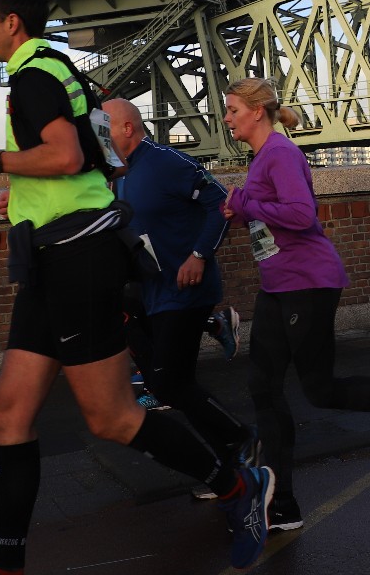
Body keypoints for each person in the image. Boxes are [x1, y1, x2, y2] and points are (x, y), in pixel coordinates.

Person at [0, 0, 272, 573]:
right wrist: (23, 191)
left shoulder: (32, 76)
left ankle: (238, 486)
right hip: (51, 256)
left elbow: (66, 155)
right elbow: (100, 163)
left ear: (12, 23)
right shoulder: (64, 72)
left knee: (112, 417)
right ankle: (6, 568)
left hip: (77, 260)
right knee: (8, 413)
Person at [222, 76, 370, 536]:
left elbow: (301, 214)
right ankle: (281, 502)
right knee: (263, 387)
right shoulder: (262, 156)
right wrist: (243, 209)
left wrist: (247, 203)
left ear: (257, 111)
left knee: (319, 390)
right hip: (277, 286)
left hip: (308, 283)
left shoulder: (281, 153)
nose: (226, 119)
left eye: (232, 110)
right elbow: (272, 214)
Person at [101, 97, 255, 494]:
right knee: (175, 383)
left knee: (170, 384)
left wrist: (199, 255)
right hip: (154, 292)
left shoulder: (166, 162)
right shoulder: (120, 173)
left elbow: (219, 202)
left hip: (186, 289)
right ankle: (231, 462)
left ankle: (239, 441)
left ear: (127, 128)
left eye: (105, 126)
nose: (99, 134)